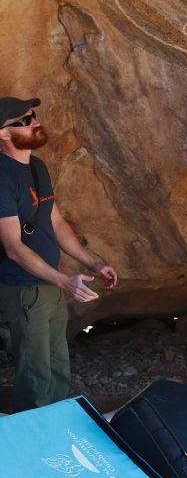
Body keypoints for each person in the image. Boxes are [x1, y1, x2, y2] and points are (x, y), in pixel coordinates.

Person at [0, 97, 118, 412]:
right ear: (4, 134)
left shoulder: (36, 167)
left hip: (49, 283)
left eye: (33, 115)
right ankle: (34, 439)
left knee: (57, 364)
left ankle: (59, 427)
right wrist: (64, 280)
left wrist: (92, 262)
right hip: (23, 286)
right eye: (24, 121)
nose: (35, 122)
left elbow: (56, 221)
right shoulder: (2, 177)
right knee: (36, 373)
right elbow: (13, 248)